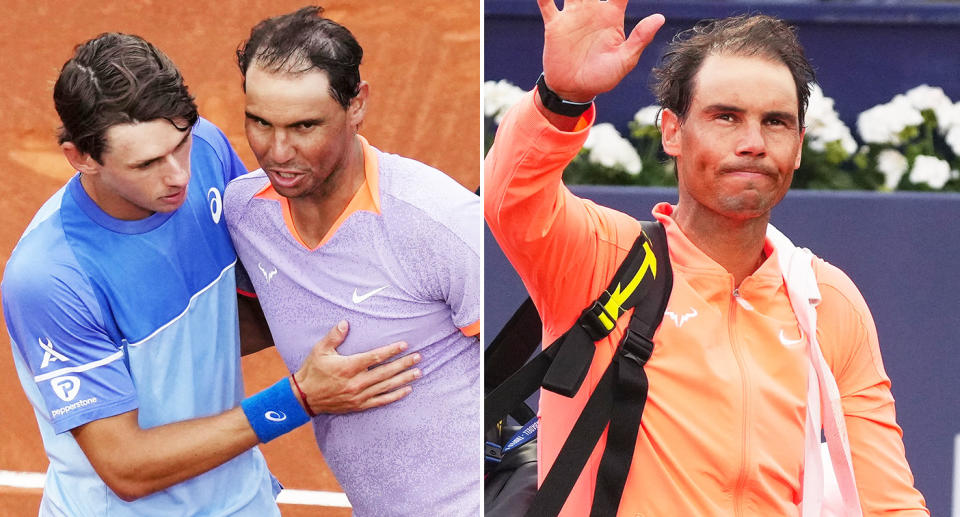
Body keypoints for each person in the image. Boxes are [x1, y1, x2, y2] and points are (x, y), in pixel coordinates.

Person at [484, 1, 928, 515]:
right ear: (672, 131)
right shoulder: (602, 257)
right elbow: (510, 198)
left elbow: (887, 501)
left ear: (800, 146)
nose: (754, 143)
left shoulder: (826, 299)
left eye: (776, 122)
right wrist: (561, 99)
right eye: (726, 117)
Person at [2, 32, 421, 516]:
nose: (179, 174)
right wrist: (299, 397)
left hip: (240, 500)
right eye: (146, 163)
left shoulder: (207, 152)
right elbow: (126, 468)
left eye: (179, 144)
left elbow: (244, 309)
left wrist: (363, 301)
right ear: (81, 158)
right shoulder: (51, 278)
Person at [223, 6, 482, 516]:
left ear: (357, 104)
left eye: (304, 126)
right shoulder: (245, 213)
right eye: (259, 122)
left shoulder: (438, 222)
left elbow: (529, 354)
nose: (277, 151)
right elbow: (249, 320)